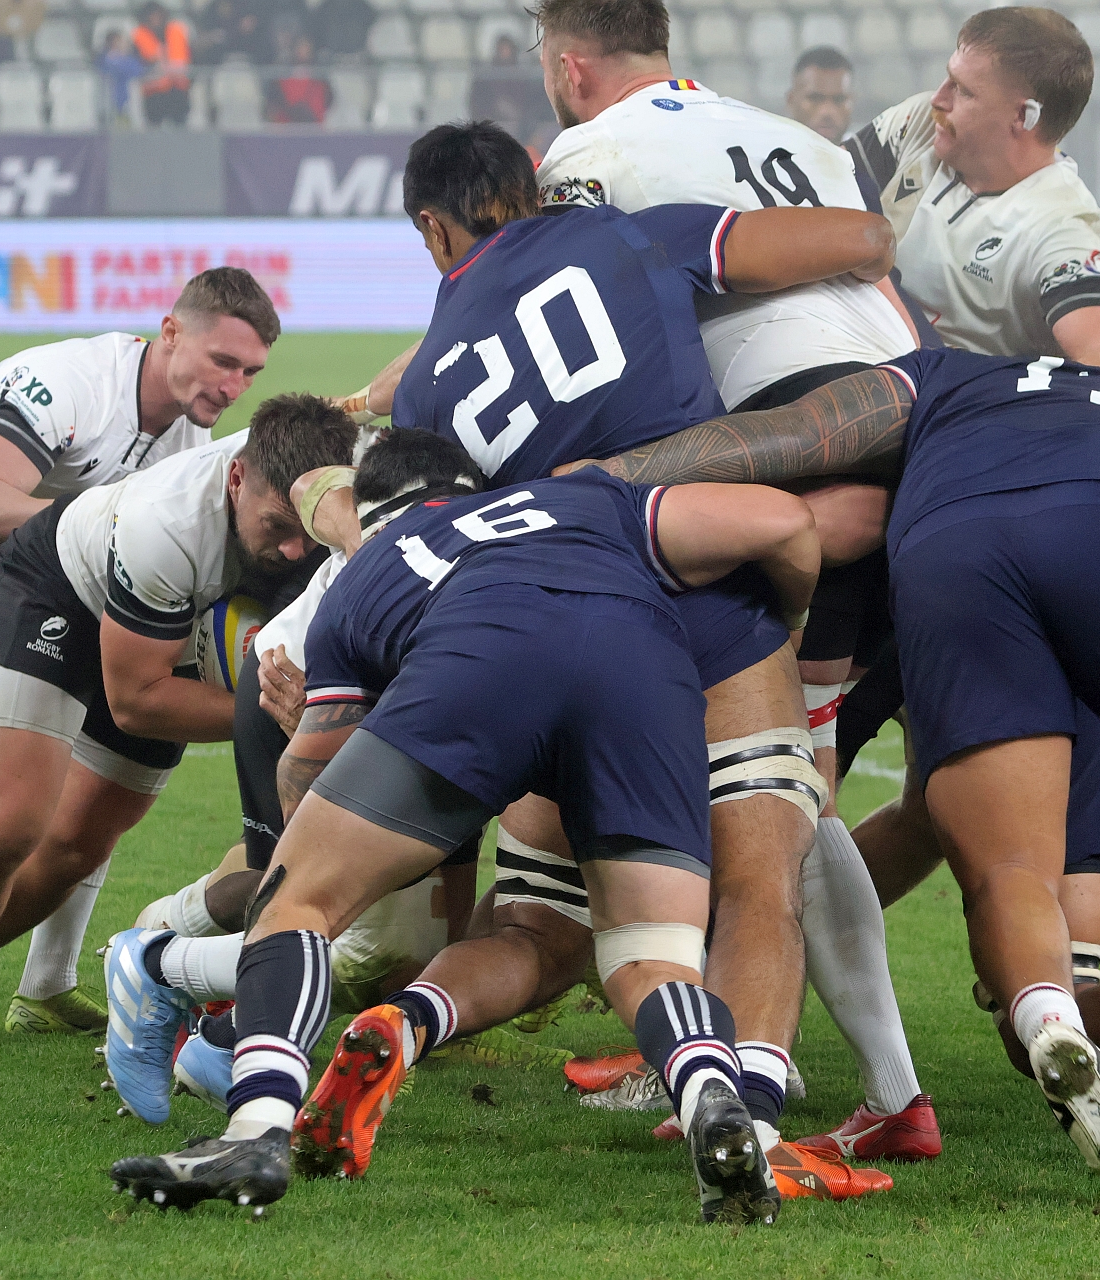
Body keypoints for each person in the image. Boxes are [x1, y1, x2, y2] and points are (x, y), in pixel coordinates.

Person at [126, 119, 900, 1199]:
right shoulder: (629, 243)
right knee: (734, 895)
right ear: (531, 186)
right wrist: (792, 626)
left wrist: (340, 834)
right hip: (680, 611)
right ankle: (740, 1107)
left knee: (476, 913)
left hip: (497, 644)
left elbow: (315, 754)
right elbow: (857, 251)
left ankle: (272, 1105)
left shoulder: (415, 458)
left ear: (434, 229)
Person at [561, 349, 1100, 1195]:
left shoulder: (941, 379)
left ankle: (1048, 1022)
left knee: (1007, 872)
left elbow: (797, 434)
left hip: (953, 549)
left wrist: (606, 478)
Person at [111, 431, 821, 1223]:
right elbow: (785, 522)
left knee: (299, 899)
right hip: (646, 674)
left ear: (375, 513)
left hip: (481, 661)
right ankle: (713, 1096)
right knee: (649, 956)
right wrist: (790, 629)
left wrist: (342, 818)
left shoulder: (366, 570)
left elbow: (310, 773)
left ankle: (256, 1127)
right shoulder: (582, 496)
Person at [516, 0, 935, 1163]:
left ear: (570, 64)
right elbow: (876, 261)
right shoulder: (796, 138)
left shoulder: (590, 151)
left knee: (771, 791)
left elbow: (578, 321)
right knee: (803, 774)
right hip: (916, 421)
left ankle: (775, 1066)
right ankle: (812, 1066)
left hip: (789, 440)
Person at [0, 268, 277, 1029]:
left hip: (44, 572)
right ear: (170, 333)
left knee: (90, 779)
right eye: (222, 361)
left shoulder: (188, 437)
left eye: (251, 373)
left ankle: (46, 984)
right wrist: (109, 515)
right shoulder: (71, 385)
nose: (234, 386)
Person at [0, 395, 353, 1071]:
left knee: (75, 847)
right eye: (276, 527)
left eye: (308, 530)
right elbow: (137, 704)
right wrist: (280, 711)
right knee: (5, 825)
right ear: (237, 479)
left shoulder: (351, 505)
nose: (295, 550)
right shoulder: (167, 522)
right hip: (60, 590)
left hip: (176, 630)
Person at [846, 8, 1100, 380]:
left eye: (963, 90)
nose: (938, 99)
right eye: (948, 78)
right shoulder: (920, 123)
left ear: (1023, 116)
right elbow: (814, 191)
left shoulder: (1058, 226)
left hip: (933, 399)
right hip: (854, 349)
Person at [134, 2, 192, 127]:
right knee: (154, 129)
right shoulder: (140, 35)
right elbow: (147, 58)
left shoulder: (176, 31)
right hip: (154, 92)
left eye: (158, 15)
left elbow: (182, 60)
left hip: (177, 89)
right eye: (151, 16)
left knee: (180, 128)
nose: (155, 19)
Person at [785, 46, 854, 142]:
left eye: (839, 100)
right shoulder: (767, 149)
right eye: (815, 99)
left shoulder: (867, 150)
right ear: (791, 100)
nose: (827, 112)